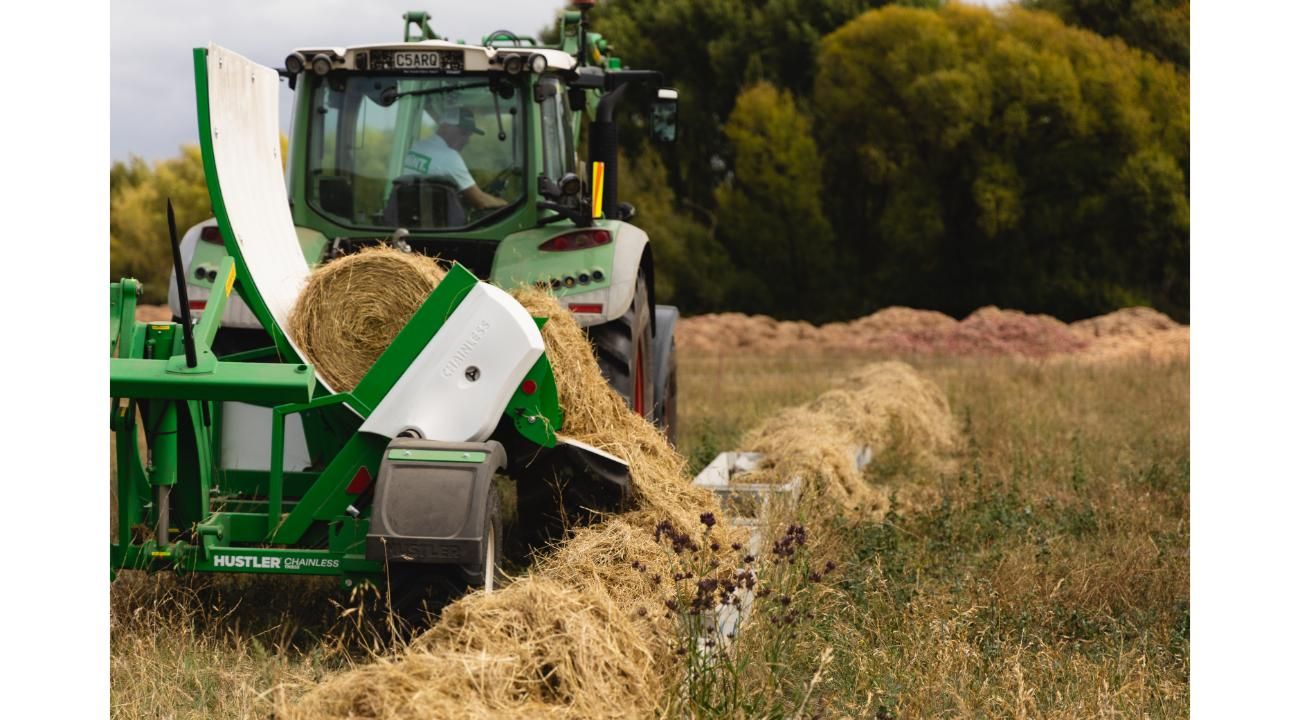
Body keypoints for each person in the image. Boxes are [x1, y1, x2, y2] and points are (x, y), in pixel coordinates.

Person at [401, 106, 507, 210]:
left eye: (469, 134)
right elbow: (481, 201)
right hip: (430, 220)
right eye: (464, 132)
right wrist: (504, 203)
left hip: (405, 212)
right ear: (444, 127)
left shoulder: (416, 146)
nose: (467, 140)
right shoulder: (450, 157)